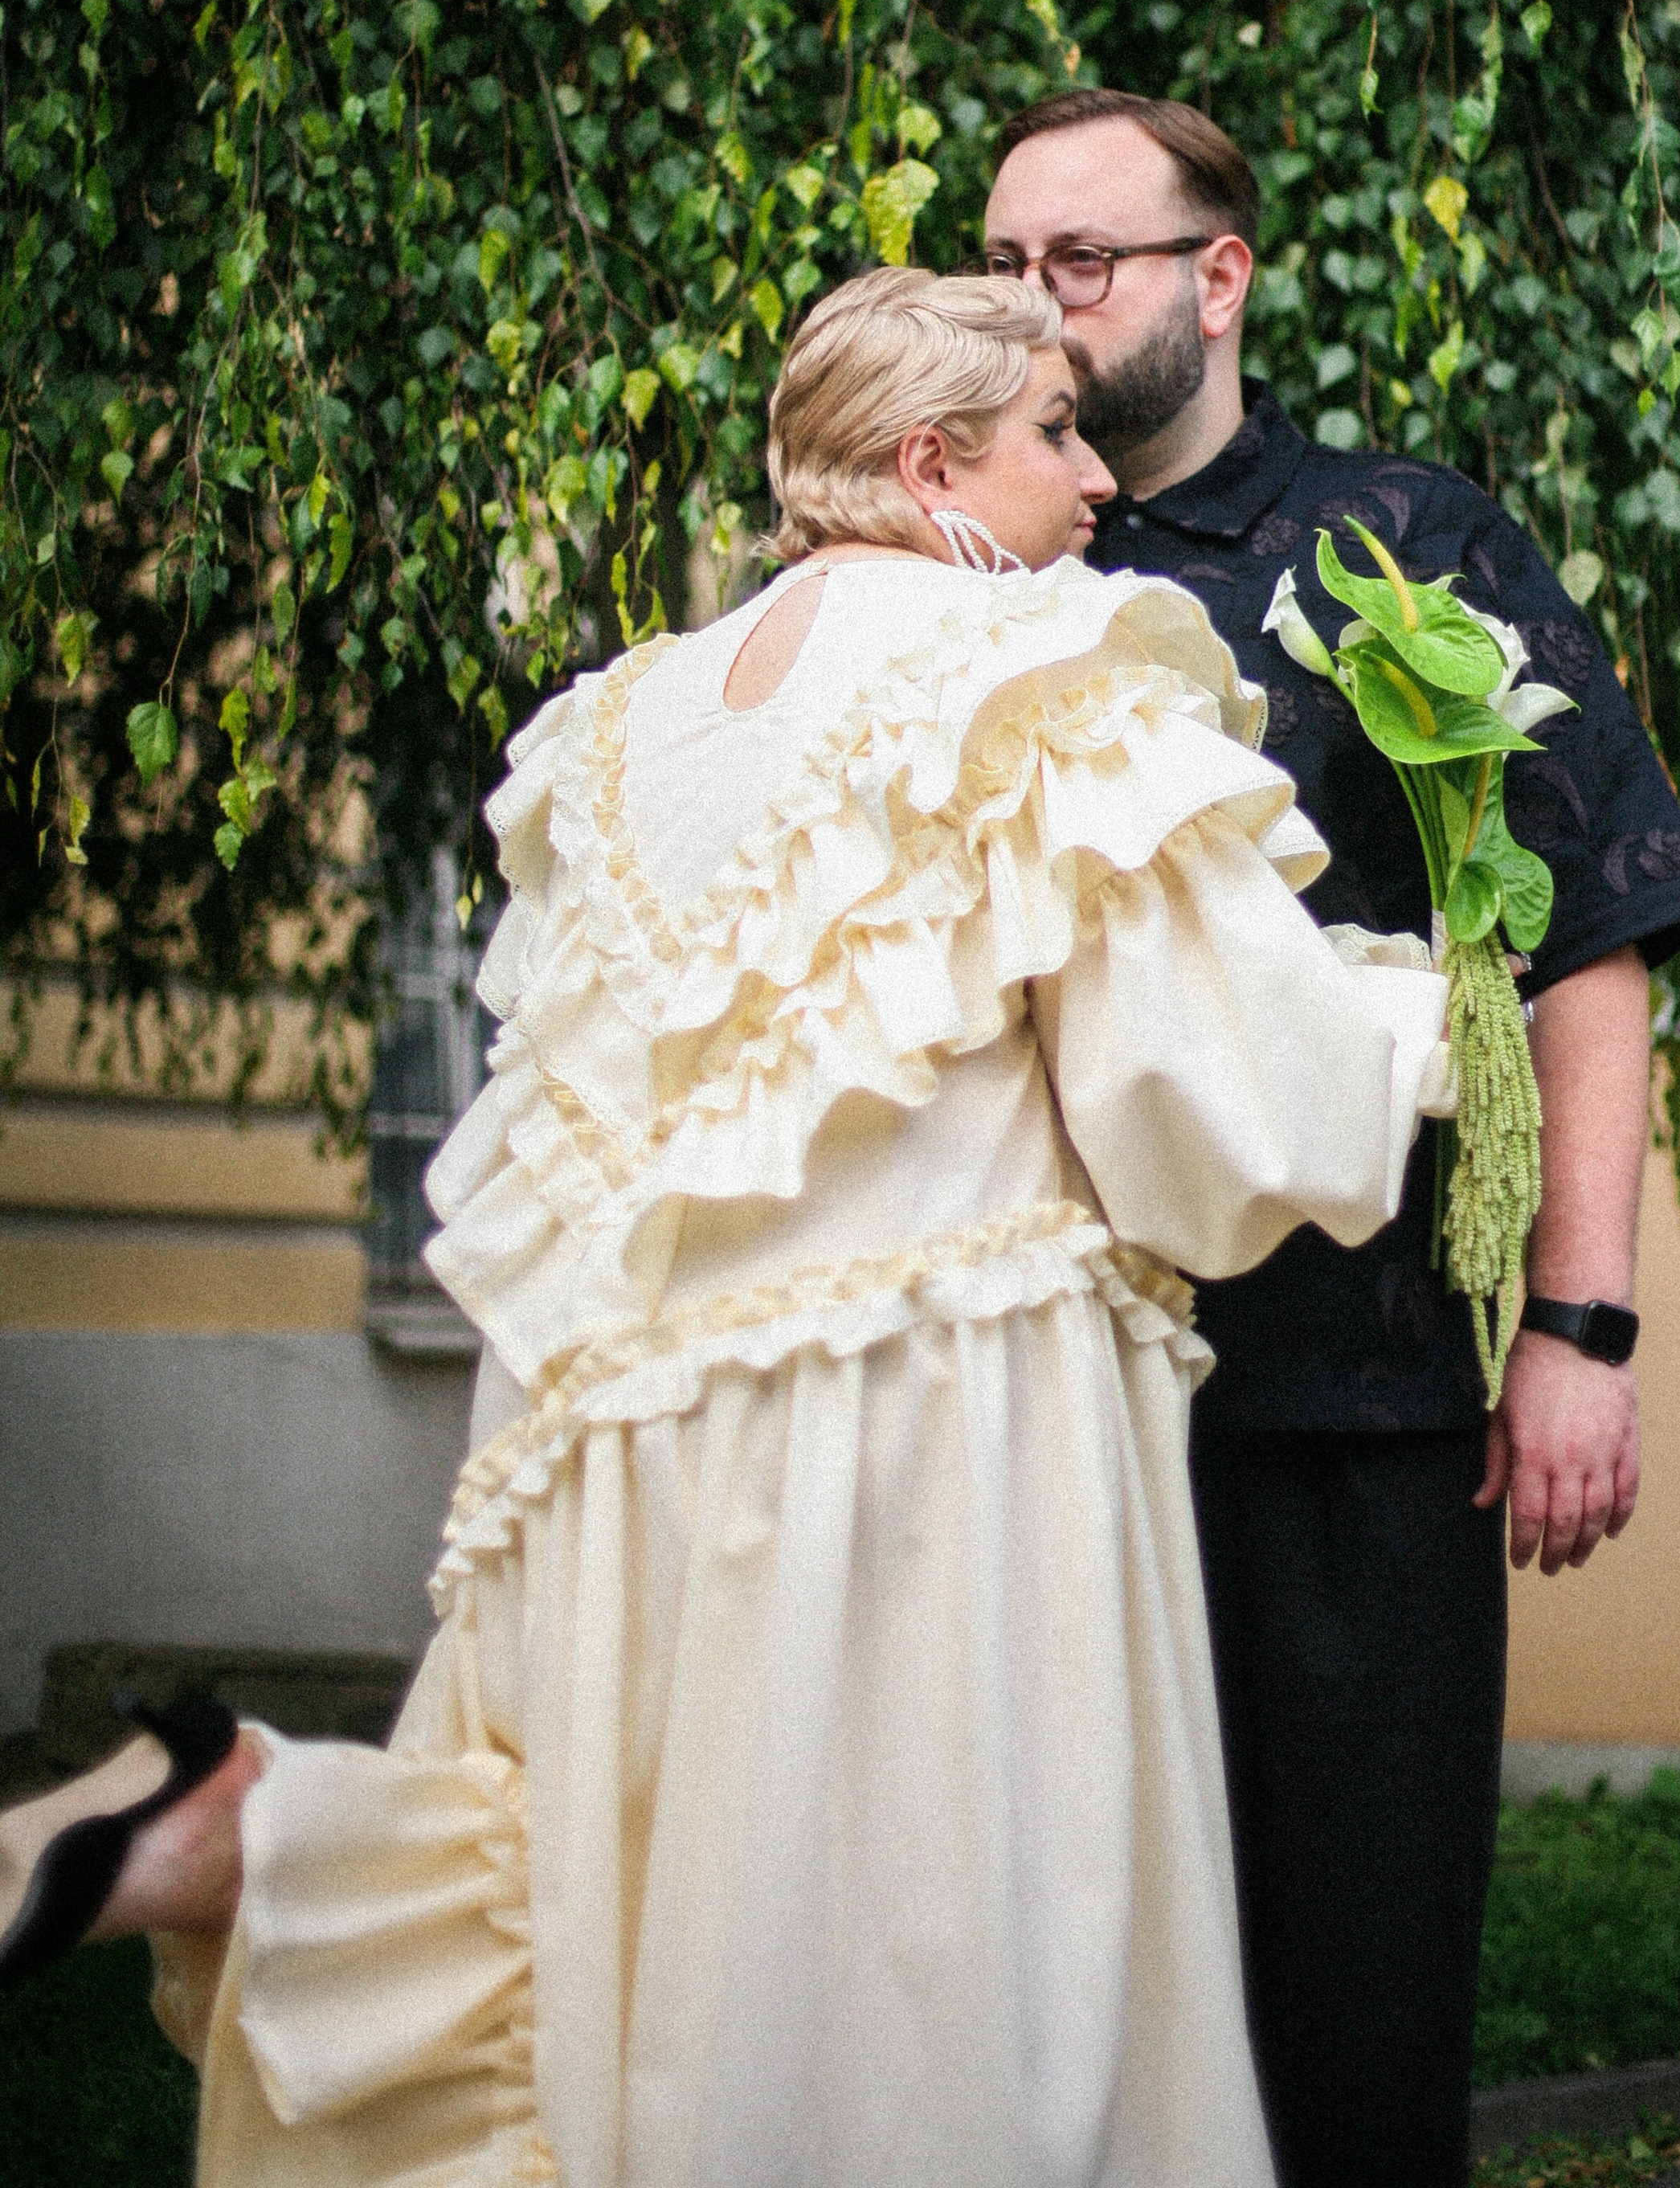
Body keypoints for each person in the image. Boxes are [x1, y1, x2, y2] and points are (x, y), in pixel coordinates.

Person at [0, 268, 1461, 2188]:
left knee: (617, 1929)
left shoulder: (624, 728)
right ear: (929, 463)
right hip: (939, 1432)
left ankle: (260, 1829)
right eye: (1052, 435)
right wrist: (1436, 1022)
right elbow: (1222, 1123)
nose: (1096, 484)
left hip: (615, 1454)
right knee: (938, 1978)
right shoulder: (1041, 683)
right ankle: (248, 1832)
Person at [983, 93, 1680, 2188]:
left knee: (1355, 2010)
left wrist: (1583, 1319)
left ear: (1219, 277)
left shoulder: (1410, 546)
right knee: (1064, 2032)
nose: (1034, 302)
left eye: (1082, 259)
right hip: (1040, 1415)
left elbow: (1589, 938)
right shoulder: (964, 579)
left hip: (1347, 1406)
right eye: (1006, 263)